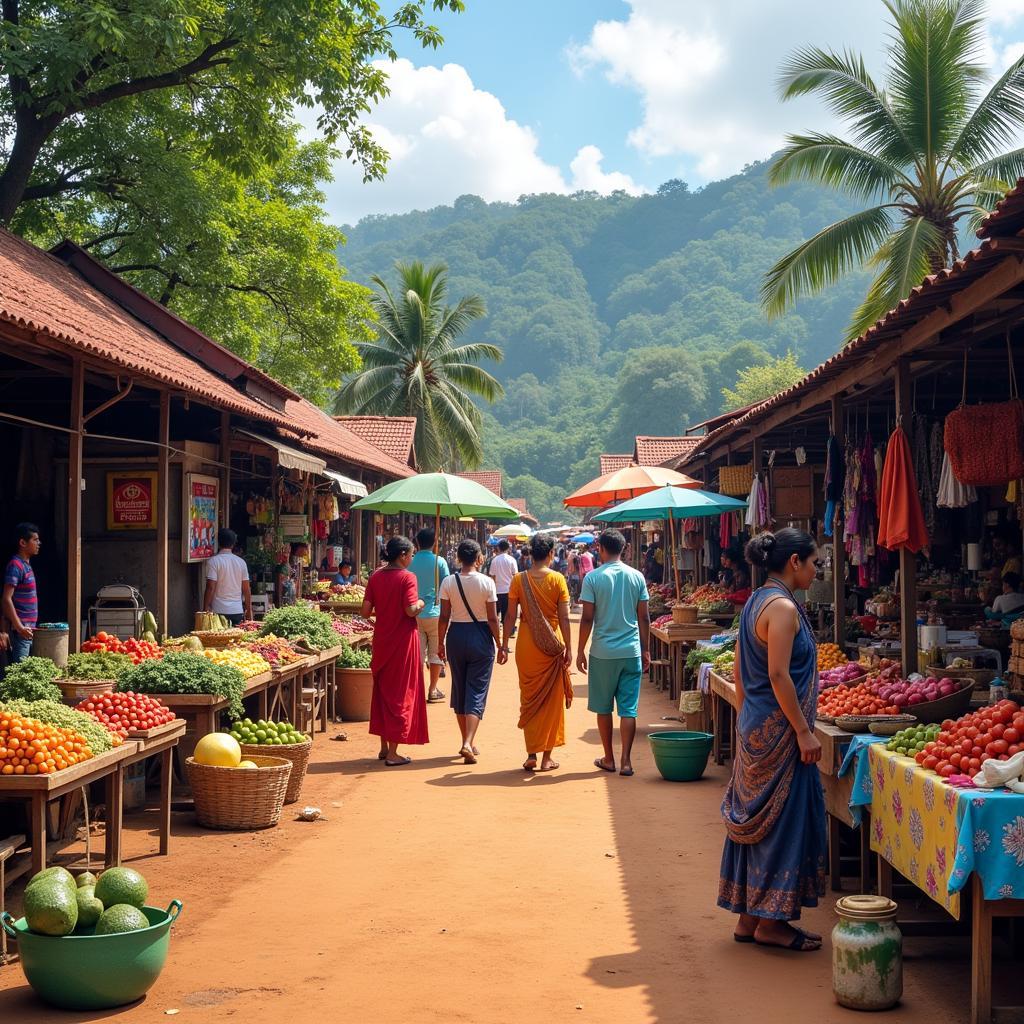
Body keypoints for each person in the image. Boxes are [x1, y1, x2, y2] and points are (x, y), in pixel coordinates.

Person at [719, 528, 826, 952]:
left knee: (758, 824)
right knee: (783, 822)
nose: (817, 570)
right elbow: (778, 674)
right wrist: (802, 730)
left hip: (757, 727)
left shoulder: (755, 603)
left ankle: (749, 917)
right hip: (781, 732)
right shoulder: (782, 608)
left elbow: (744, 671)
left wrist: (746, 720)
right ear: (795, 561)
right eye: (815, 562)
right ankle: (772, 923)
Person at [576, 529, 650, 777]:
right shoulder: (637, 576)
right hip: (631, 650)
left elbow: (587, 619)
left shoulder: (593, 578)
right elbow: (644, 617)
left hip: (602, 652)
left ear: (601, 549)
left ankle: (609, 758)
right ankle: (626, 761)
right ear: (625, 549)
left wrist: (579, 650)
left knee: (604, 707)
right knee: (629, 710)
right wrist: (647, 649)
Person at [500, 535, 573, 772]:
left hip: (527, 645)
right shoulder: (558, 579)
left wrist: (503, 644)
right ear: (551, 553)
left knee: (529, 698)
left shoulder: (518, 580)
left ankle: (532, 753)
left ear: (530, 554)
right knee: (552, 702)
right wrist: (569, 648)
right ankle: (546, 758)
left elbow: (509, 617)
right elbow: (563, 617)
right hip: (552, 646)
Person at [360, 537, 428, 766]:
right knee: (400, 693)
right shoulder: (408, 577)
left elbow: (365, 611)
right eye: (411, 555)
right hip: (402, 641)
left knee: (382, 691)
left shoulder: (376, 576)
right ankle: (393, 753)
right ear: (402, 555)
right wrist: (421, 603)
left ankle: (383, 748)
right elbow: (410, 610)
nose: (412, 558)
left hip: (382, 639)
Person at [437, 539, 499, 764]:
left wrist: (439, 643)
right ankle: (467, 743)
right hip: (481, 636)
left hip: (456, 635)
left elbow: (444, 616)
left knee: (460, 689)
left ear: (458, 559)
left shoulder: (448, 582)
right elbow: (492, 618)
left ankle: (467, 741)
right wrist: (500, 644)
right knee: (477, 691)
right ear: (479, 558)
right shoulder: (487, 583)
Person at [409, 527, 450, 703]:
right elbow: (446, 584)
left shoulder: (409, 561)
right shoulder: (439, 562)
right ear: (434, 542)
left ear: (417, 543)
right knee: (435, 654)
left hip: (413, 612)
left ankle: (416, 690)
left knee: (417, 655)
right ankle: (432, 690)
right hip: (435, 613)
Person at [3, 523, 40, 663]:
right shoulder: (15, 565)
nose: (38, 543)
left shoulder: (26, 565)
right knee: (21, 673)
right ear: (23, 542)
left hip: (28, 630)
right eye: (35, 540)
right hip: (21, 631)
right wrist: (19, 627)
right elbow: (6, 599)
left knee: (26, 671)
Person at [203, 529, 253, 626]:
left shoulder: (214, 561)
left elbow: (210, 587)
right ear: (233, 544)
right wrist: (249, 613)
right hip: (237, 611)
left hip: (218, 611)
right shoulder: (241, 563)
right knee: (237, 641)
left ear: (218, 542)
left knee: (218, 640)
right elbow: (246, 590)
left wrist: (205, 609)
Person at [489, 540, 519, 639]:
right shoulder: (511, 560)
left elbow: (492, 576)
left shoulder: (494, 560)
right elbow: (515, 576)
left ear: (498, 548)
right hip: (509, 591)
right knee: (508, 615)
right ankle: (509, 634)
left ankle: (495, 634)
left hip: (497, 591)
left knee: (495, 614)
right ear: (508, 548)